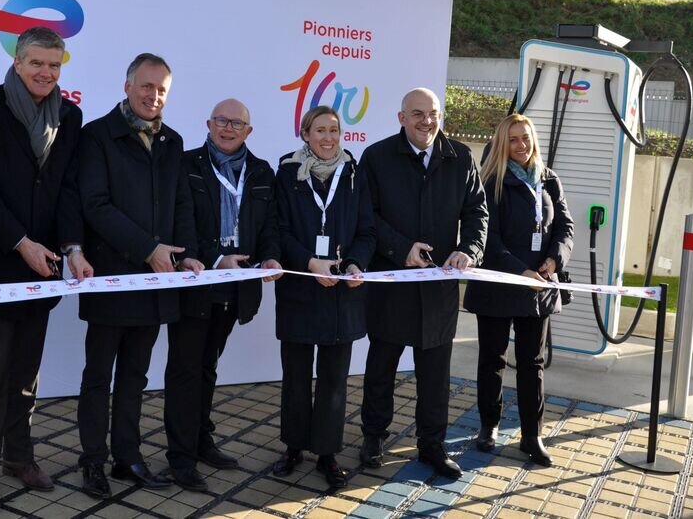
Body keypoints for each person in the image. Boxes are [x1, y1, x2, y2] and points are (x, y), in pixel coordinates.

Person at [0, 27, 94, 512]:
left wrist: (71, 248)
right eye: (37, 63)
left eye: (54, 66)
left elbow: (70, 190)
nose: (45, 73)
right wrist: (21, 243)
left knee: (27, 369)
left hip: (45, 266)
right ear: (17, 62)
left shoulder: (70, 116)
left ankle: (19, 454)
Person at [76, 53, 205, 499]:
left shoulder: (172, 141)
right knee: (98, 376)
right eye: (146, 86)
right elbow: (94, 205)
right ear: (127, 85)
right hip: (112, 279)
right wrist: (148, 249)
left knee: (135, 377)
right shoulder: (96, 136)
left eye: (162, 89)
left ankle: (127, 458)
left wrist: (186, 256)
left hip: (158, 283)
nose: (154, 96)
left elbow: (182, 205)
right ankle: (92, 460)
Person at [357, 87, 487, 480]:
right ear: (401, 118)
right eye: (416, 114)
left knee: (435, 376)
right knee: (381, 367)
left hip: (438, 290)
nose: (425, 121)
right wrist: (400, 249)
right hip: (392, 284)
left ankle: (432, 445)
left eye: (432, 113)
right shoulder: (377, 158)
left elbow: (478, 213)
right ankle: (373, 437)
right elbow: (366, 217)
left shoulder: (460, 157)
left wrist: (469, 250)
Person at [163, 99, 284, 492]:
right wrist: (215, 258)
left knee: (207, 367)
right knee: (184, 370)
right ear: (209, 124)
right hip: (197, 283)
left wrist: (269, 257)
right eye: (221, 121)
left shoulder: (263, 172)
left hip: (236, 290)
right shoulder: (186, 165)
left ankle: (201, 441)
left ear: (249, 131)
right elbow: (178, 222)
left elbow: (270, 225)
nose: (228, 128)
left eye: (237, 123)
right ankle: (180, 458)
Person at [271, 106, 376, 489]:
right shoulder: (286, 173)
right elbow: (277, 230)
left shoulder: (354, 173)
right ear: (305, 133)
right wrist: (309, 262)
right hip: (300, 286)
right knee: (296, 377)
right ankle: (294, 447)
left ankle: (328, 453)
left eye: (334, 130)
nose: (329, 137)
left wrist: (354, 263)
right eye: (320, 130)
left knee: (333, 380)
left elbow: (367, 230)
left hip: (340, 296)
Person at [464, 114, 573, 467]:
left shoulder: (548, 178)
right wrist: (519, 269)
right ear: (501, 143)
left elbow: (566, 227)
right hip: (500, 282)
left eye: (525, 138)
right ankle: (488, 426)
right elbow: (487, 237)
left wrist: (554, 261)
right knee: (492, 359)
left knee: (532, 363)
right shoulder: (491, 180)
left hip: (537, 287)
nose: (521, 145)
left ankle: (532, 434)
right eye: (513, 139)